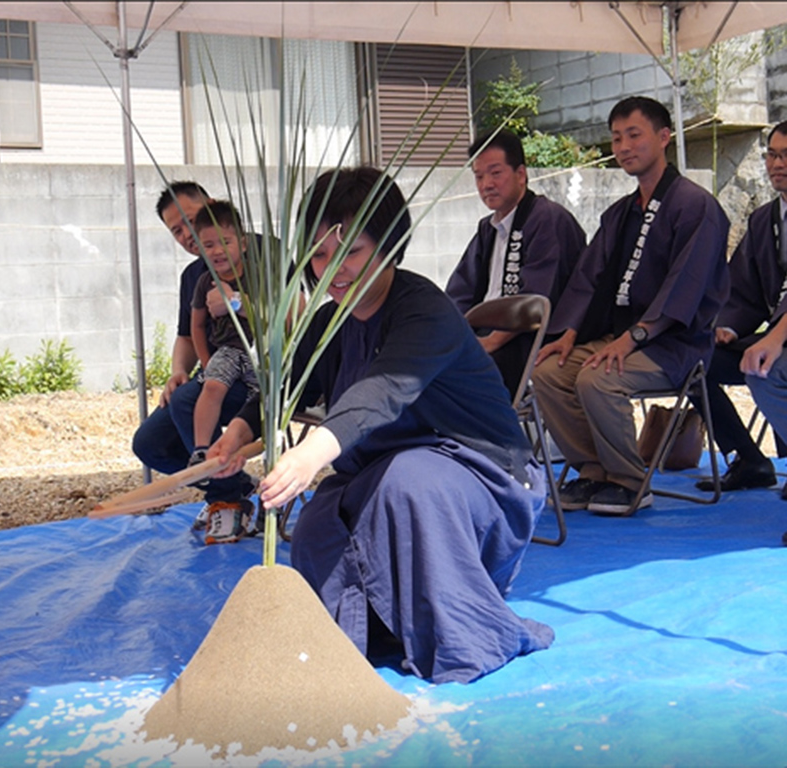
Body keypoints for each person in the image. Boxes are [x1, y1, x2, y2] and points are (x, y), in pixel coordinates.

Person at [209, 166, 553, 684]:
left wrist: (307, 455)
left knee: (406, 484)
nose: (333, 271)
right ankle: (365, 634)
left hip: (482, 482)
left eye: (350, 252)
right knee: (321, 522)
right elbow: (285, 385)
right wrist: (239, 430)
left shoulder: (425, 312)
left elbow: (381, 392)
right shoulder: (328, 322)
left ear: (389, 244)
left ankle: (463, 636)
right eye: (319, 255)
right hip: (387, 475)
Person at [532, 96, 730, 516]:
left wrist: (635, 337)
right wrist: (568, 334)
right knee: (547, 372)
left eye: (634, 135)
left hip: (674, 344)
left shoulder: (697, 207)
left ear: (663, 137)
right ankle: (593, 472)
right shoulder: (620, 212)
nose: (623, 146)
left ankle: (629, 480)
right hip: (617, 337)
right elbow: (589, 279)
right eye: (617, 138)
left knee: (598, 379)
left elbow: (686, 287)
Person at [130, 183, 255, 534]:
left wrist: (239, 303)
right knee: (149, 443)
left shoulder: (264, 254)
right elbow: (189, 332)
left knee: (188, 401)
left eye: (189, 221)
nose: (187, 235)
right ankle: (233, 488)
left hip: (263, 373)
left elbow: (292, 317)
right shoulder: (194, 275)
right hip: (217, 373)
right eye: (176, 230)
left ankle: (227, 502)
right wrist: (179, 370)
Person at [447, 130, 586, 397]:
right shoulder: (487, 229)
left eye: (495, 173)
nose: (486, 184)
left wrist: (491, 342)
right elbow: (460, 293)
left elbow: (536, 302)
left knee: (454, 381)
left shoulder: (547, 219)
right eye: (479, 176)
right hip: (484, 336)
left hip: (527, 341)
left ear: (521, 174)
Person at [689, 122, 787, 493]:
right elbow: (743, 287)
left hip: (781, 341)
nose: (777, 164)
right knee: (694, 358)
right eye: (772, 155)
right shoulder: (764, 220)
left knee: (773, 367)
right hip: (771, 338)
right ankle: (748, 458)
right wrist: (727, 323)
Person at [187, 201, 261, 543]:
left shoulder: (259, 275)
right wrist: (205, 362)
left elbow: (280, 318)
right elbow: (196, 326)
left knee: (264, 406)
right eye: (209, 245)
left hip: (261, 352)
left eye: (225, 242)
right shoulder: (204, 281)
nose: (217, 251)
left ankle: (248, 466)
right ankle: (202, 450)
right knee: (212, 387)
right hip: (229, 352)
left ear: (242, 243)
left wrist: (237, 303)